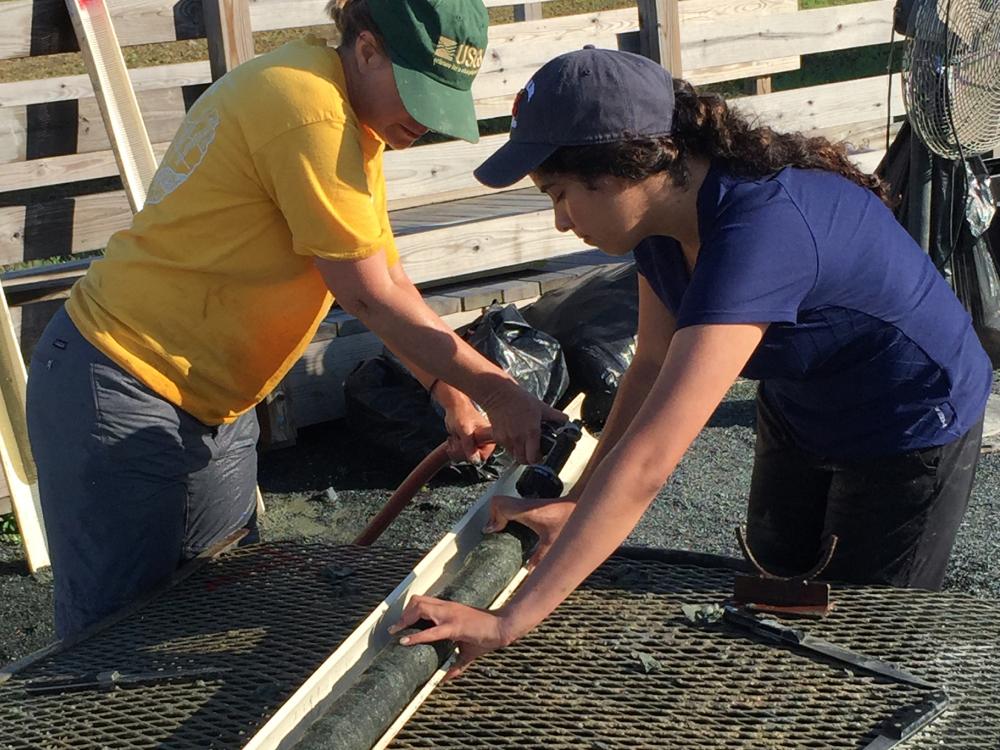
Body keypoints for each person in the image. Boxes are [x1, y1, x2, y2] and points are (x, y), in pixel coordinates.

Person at [390, 48, 993, 677]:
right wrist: (582, 498)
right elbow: (649, 363)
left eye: (561, 195)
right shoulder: (661, 226)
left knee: (860, 639)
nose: (562, 222)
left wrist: (511, 620)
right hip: (802, 397)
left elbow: (652, 460)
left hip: (912, 419)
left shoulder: (760, 230)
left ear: (625, 166)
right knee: (775, 592)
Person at [26, 0, 562, 640]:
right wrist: (497, 390)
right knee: (111, 639)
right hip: (119, 381)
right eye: (417, 91)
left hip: (212, 404)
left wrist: (448, 390)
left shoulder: (349, 121)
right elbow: (365, 296)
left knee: (216, 614)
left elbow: (385, 277)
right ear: (366, 49)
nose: (425, 119)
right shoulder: (306, 106)